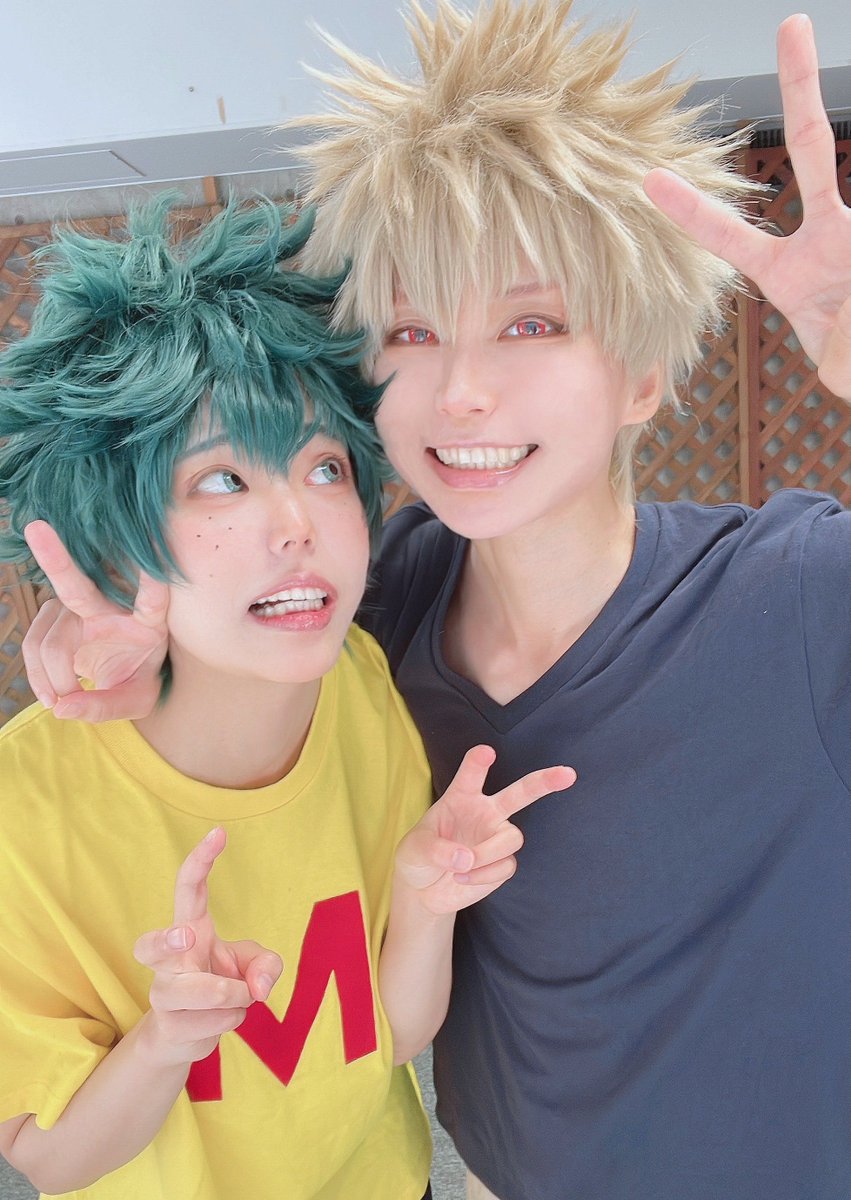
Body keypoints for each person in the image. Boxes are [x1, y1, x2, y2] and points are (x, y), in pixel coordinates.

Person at [18, 2, 851, 1198]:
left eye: (529, 322)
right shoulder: (377, 609)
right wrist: (113, 625)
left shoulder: (795, 598)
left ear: (641, 372)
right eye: (412, 328)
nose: (460, 388)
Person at [0, 195, 572, 1200]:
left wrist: (423, 901)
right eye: (221, 481)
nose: (297, 520)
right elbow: (48, 1156)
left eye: (324, 466)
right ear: (112, 542)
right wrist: (166, 1040)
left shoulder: (362, 686)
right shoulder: (26, 809)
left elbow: (388, 1037)